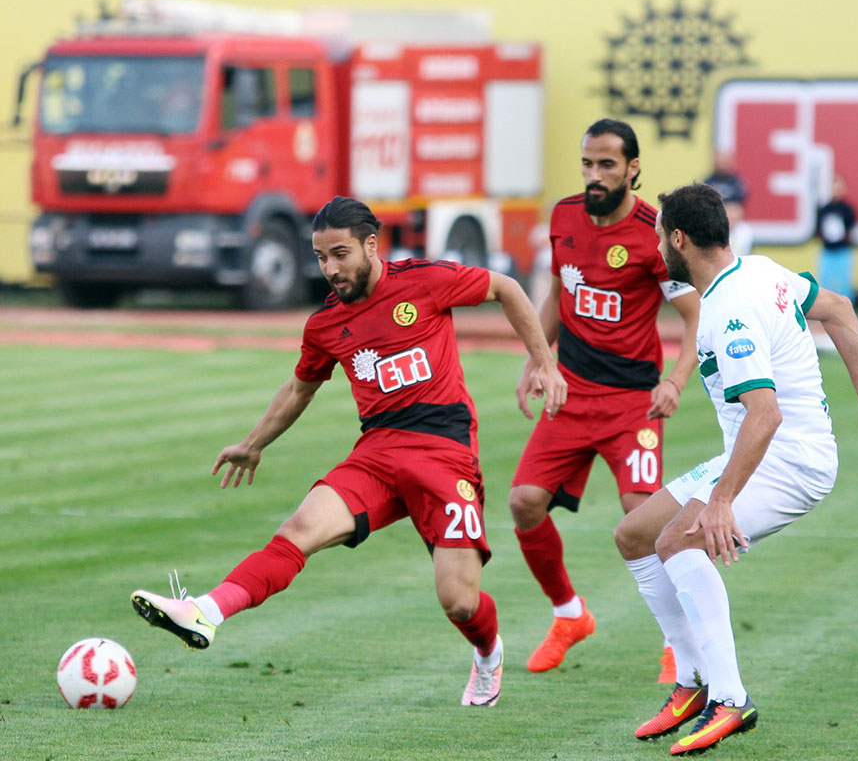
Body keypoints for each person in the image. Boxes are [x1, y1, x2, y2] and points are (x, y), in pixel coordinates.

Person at [131, 196, 567, 708]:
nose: (330, 268)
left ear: (370, 245)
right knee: (297, 530)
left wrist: (544, 363)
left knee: (460, 603)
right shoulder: (324, 324)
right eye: (320, 258)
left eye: (340, 254)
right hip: (377, 452)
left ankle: (489, 654)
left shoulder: (423, 280)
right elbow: (299, 391)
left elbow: (505, 287)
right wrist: (252, 445)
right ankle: (205, 609)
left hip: (444, 452)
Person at [614, 183, 858, 755]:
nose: (654, 246)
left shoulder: (729, 308)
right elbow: (840, 309)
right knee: (635, 535)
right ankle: (692, 685)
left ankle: (729, 699)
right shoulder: (761, 271)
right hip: (760, 447)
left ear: (678, 239)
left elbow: (765, 414)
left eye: (657, 236)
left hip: (790, 460)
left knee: (679, 543)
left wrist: (721, 500)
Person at [510, 118, 700, 677]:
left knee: (640, 517)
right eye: (588, 164)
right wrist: (537, 358)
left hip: (631, 404)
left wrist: (674, 382)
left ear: (633, 168)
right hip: (571, 394)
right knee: (523, 502)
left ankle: (678, 640)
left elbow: (694, 317)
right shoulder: (564, 215)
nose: (594, 176)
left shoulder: (653, 234)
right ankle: (570, 615)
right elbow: (556, 292)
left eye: (607, 165)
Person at [816, 176, 857, 303]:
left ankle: (848, 310)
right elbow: (818, 229)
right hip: (828, 251)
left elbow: (852, 230)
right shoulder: (824, 209)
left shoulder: (847, 209)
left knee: (845, 285)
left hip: (843, 251)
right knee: (825, 283)